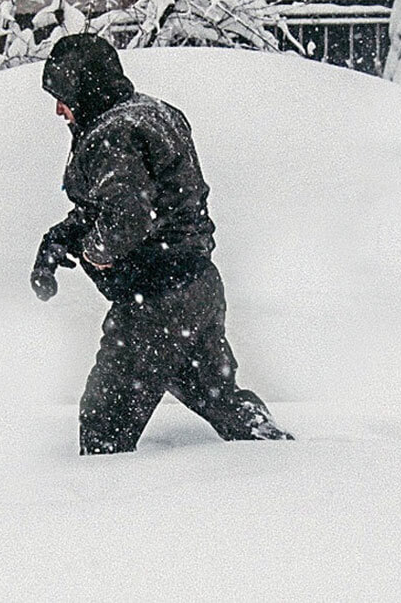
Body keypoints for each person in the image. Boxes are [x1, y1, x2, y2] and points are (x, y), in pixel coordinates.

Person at [31, 34, 293, 455]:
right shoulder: (153, 114)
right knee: (218, 398)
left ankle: (96, 514)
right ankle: (288, 463)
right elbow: (140, 198)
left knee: (105, 424)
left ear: (85, 88)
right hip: (196, 287)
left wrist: (95, 253)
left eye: (63, 96)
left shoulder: (111, 135)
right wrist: (60, 238)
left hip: (154, 303)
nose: (58, 109)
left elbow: (128, 215)